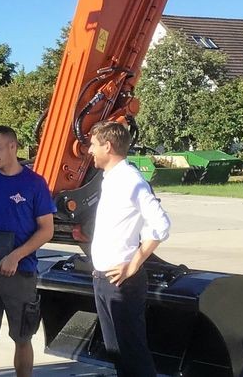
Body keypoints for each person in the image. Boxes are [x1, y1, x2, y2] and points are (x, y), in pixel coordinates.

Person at [0, 126, 55, 377]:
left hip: (21, 273)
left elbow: (46, 229)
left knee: (22, 338)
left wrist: (16, 255)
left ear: (13, 147)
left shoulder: (34, 183)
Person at [88, 121, 171, 377]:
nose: (89, 150)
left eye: (93, 145)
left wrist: (134, 263)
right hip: (104, 278)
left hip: (122, 282)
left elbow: (160, 223)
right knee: (117, 352)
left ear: (108, 146)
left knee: (133, 354)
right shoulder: (111, 179)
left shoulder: (130, 180)